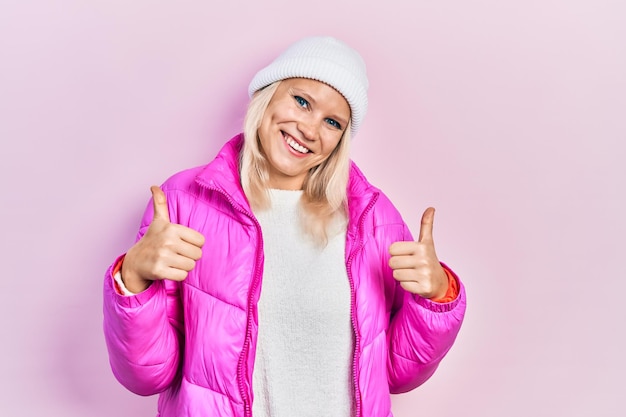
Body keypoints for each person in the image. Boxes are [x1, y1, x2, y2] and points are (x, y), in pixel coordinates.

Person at [103, 36, 466, 417]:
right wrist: (133, 278)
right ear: (268, 95)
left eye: (332, 121)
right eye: (302, 101)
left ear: (341, 139)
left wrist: (437, 298)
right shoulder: (183, 203)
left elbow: (396, 373)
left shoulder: (374, 219)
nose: (309, 129)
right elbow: (145, 376)